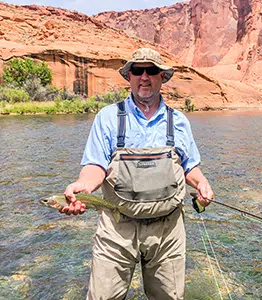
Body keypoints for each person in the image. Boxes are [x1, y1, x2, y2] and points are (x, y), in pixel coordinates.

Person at [61, 48, 214, 300]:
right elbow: (95, 166)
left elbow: (190, 167)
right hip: (116, 229)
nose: (144, 76)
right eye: (137, 71)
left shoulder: (179, 121)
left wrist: (202, 183)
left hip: (168, 231)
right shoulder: (108, 118)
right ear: (128, 77)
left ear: (162, 77)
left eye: (151, 70)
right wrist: (83, 186)